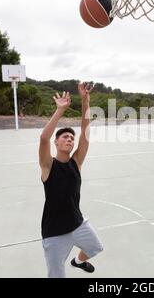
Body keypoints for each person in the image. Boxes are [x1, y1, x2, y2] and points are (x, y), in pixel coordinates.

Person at [39, 82, 103, 278]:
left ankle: (77, 261)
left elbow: (85, 131)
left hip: (77, 223)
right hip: (55, 232)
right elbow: (43, 138)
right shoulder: (48, 166)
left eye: (71, 138)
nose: (69, 139)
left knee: (95, 248)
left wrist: (86, 101)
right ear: (56, 142)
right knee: (56, 275)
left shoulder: (76, 162)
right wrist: (60, 110)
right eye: (65, 137)